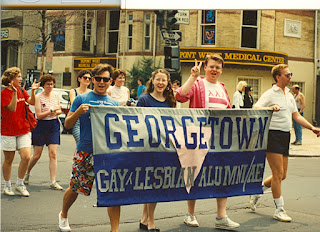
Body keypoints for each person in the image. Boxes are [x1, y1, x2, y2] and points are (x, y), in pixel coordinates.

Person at [175, 55, 239, 230]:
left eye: (218, 67)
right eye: (211, 66)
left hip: (220, 139)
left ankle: (221, 216)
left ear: (221, 70)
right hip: (198, 136)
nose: (214, 70)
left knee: (222, 175)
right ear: (205, 67)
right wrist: (193, 76)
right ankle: (190, 213)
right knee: (194, 174)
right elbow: (180, 96)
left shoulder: (223, 87)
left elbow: (228, 111)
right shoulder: (198, 84)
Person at [250, 64, 320, 222]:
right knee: (277, 174)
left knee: (283, 175)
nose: (290, 77)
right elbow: (256, 106)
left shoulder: (289, 95)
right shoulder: (270, 93)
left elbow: (296, 115)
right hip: (272, 134)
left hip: (285, 135)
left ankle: (257, 190)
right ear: (278, 77)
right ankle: (279, 209)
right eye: (287, 75)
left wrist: (312, 128)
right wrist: (269, 107)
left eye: (290, 74)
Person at [59, 64, 120, 232]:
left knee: (112, 192)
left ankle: (114, 229)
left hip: (107, 153)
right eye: (98, 79)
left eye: (105, 79)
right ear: (92, 80)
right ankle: (63, 214)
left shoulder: (114, 103)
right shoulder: (82, 99)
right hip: (85, 150)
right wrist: (78, 112)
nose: (101, 82)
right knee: (76, 187)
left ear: (110, 81)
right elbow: (68, 124)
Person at [137, 69, 176, 232]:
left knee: (156, 183)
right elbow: (138, 122)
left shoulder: (169, 101)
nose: (161, 83)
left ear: (167, 83)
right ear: (152, 80)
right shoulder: (144, 99)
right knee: (151, 183)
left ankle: (144, 219)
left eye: (164, 80)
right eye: (158, 79)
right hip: (147, 147)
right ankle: (151, 222)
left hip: (164, 146)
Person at [1, 67, 40, 197]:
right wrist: (13, 93)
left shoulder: (22, 90)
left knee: (26, 156)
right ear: (11, 79)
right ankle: (7, 185)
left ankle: (20, 184)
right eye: (18, 77)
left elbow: (32, 102)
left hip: (23, 128)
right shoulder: (3, 94)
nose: (20, 79)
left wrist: (33, 91)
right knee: (9, 159)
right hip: (8, 130)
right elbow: (11, 109)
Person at [24, 74, 63, 190]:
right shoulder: (38, 97)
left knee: (53, 154)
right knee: (36, 155)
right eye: (48, 84)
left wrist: (57, 112)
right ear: (43, 85)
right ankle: (27, 172)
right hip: (41, 126)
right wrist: (51, 110)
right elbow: (39, 115)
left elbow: (59, 110)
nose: (50, 87)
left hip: (53, 125)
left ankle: (53, 181)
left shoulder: (55, 96)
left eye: (52, 84)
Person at [68, 69, 92, 145]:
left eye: (89, 78)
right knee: (80, 142)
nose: (87, 79)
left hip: (88, 120)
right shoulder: (73, 91)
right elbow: (74, 104)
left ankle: (79, 156)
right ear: (79, 79)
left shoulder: (91, 92)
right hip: (77, 120)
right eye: (85, 77)